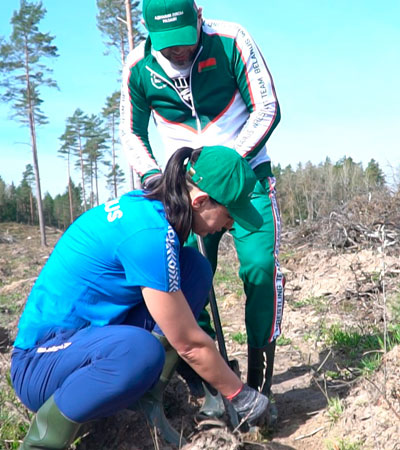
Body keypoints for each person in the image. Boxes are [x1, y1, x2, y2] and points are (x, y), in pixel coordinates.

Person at [10, 146, 270, 449]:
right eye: (229, 215)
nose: (230, 225)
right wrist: (241, 395)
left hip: (88, 341)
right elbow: (188, 343)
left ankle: (146, 401)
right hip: (41, 363)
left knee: (194, 269)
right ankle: (40, 442)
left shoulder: (150, 209)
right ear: (200, 201)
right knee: (141, 351)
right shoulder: (148, 235)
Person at [120, 0, 284, 421]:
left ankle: (259, 377)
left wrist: (224, 164)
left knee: (260, 268)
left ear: (199, 17)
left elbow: (268, 108)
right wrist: (161, 178)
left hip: (245, 175)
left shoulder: (231, 40)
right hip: (183, 188)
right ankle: (215, 384)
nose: (177, 52)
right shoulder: (138, 66)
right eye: (167, 45)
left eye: (185, 41)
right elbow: (132, 133)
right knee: (183, 278)